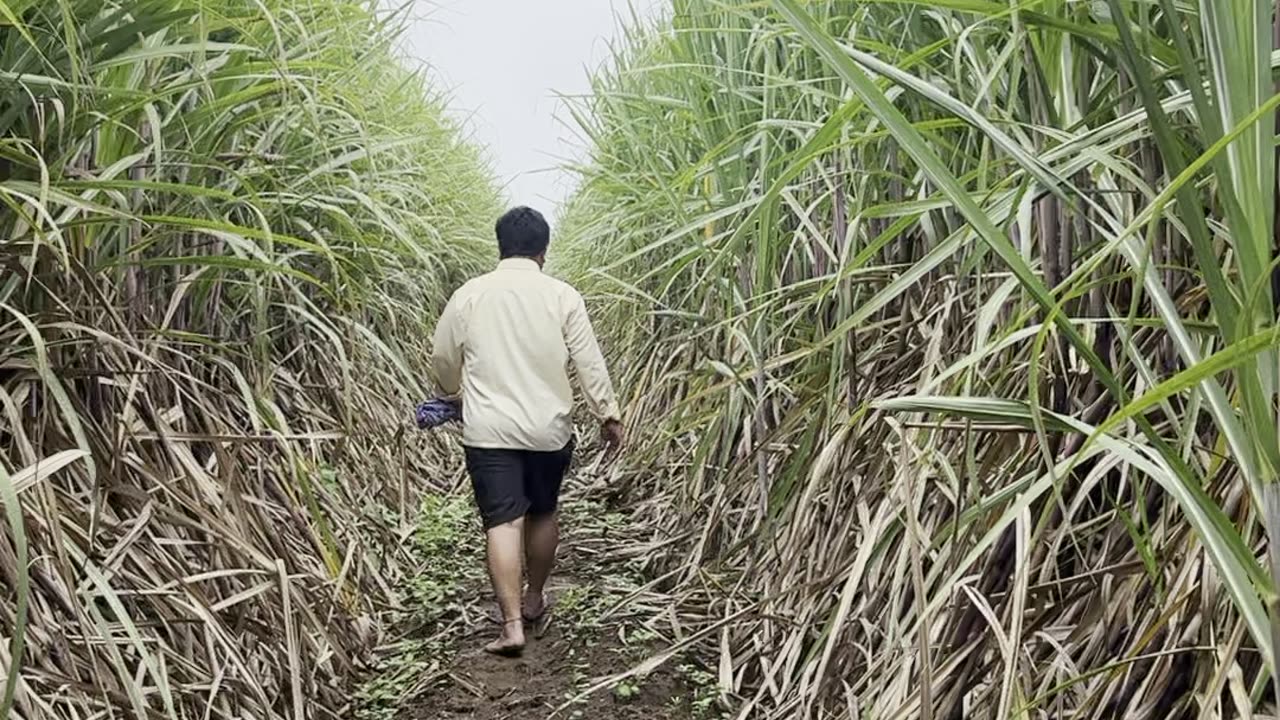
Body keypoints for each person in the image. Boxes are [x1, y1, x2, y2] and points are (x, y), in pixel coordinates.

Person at [431, 206, 625, 656]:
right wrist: (608, 413)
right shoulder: (562, 296)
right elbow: (589, 361)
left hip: (489, 431)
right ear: (544, 250)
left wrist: (451, 391)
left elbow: (443, 357)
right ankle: (535, 598)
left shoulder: (471, 294)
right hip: (548, 430)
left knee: (502, 521)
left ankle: (512, 625)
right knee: (543, 513)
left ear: (500, 246)